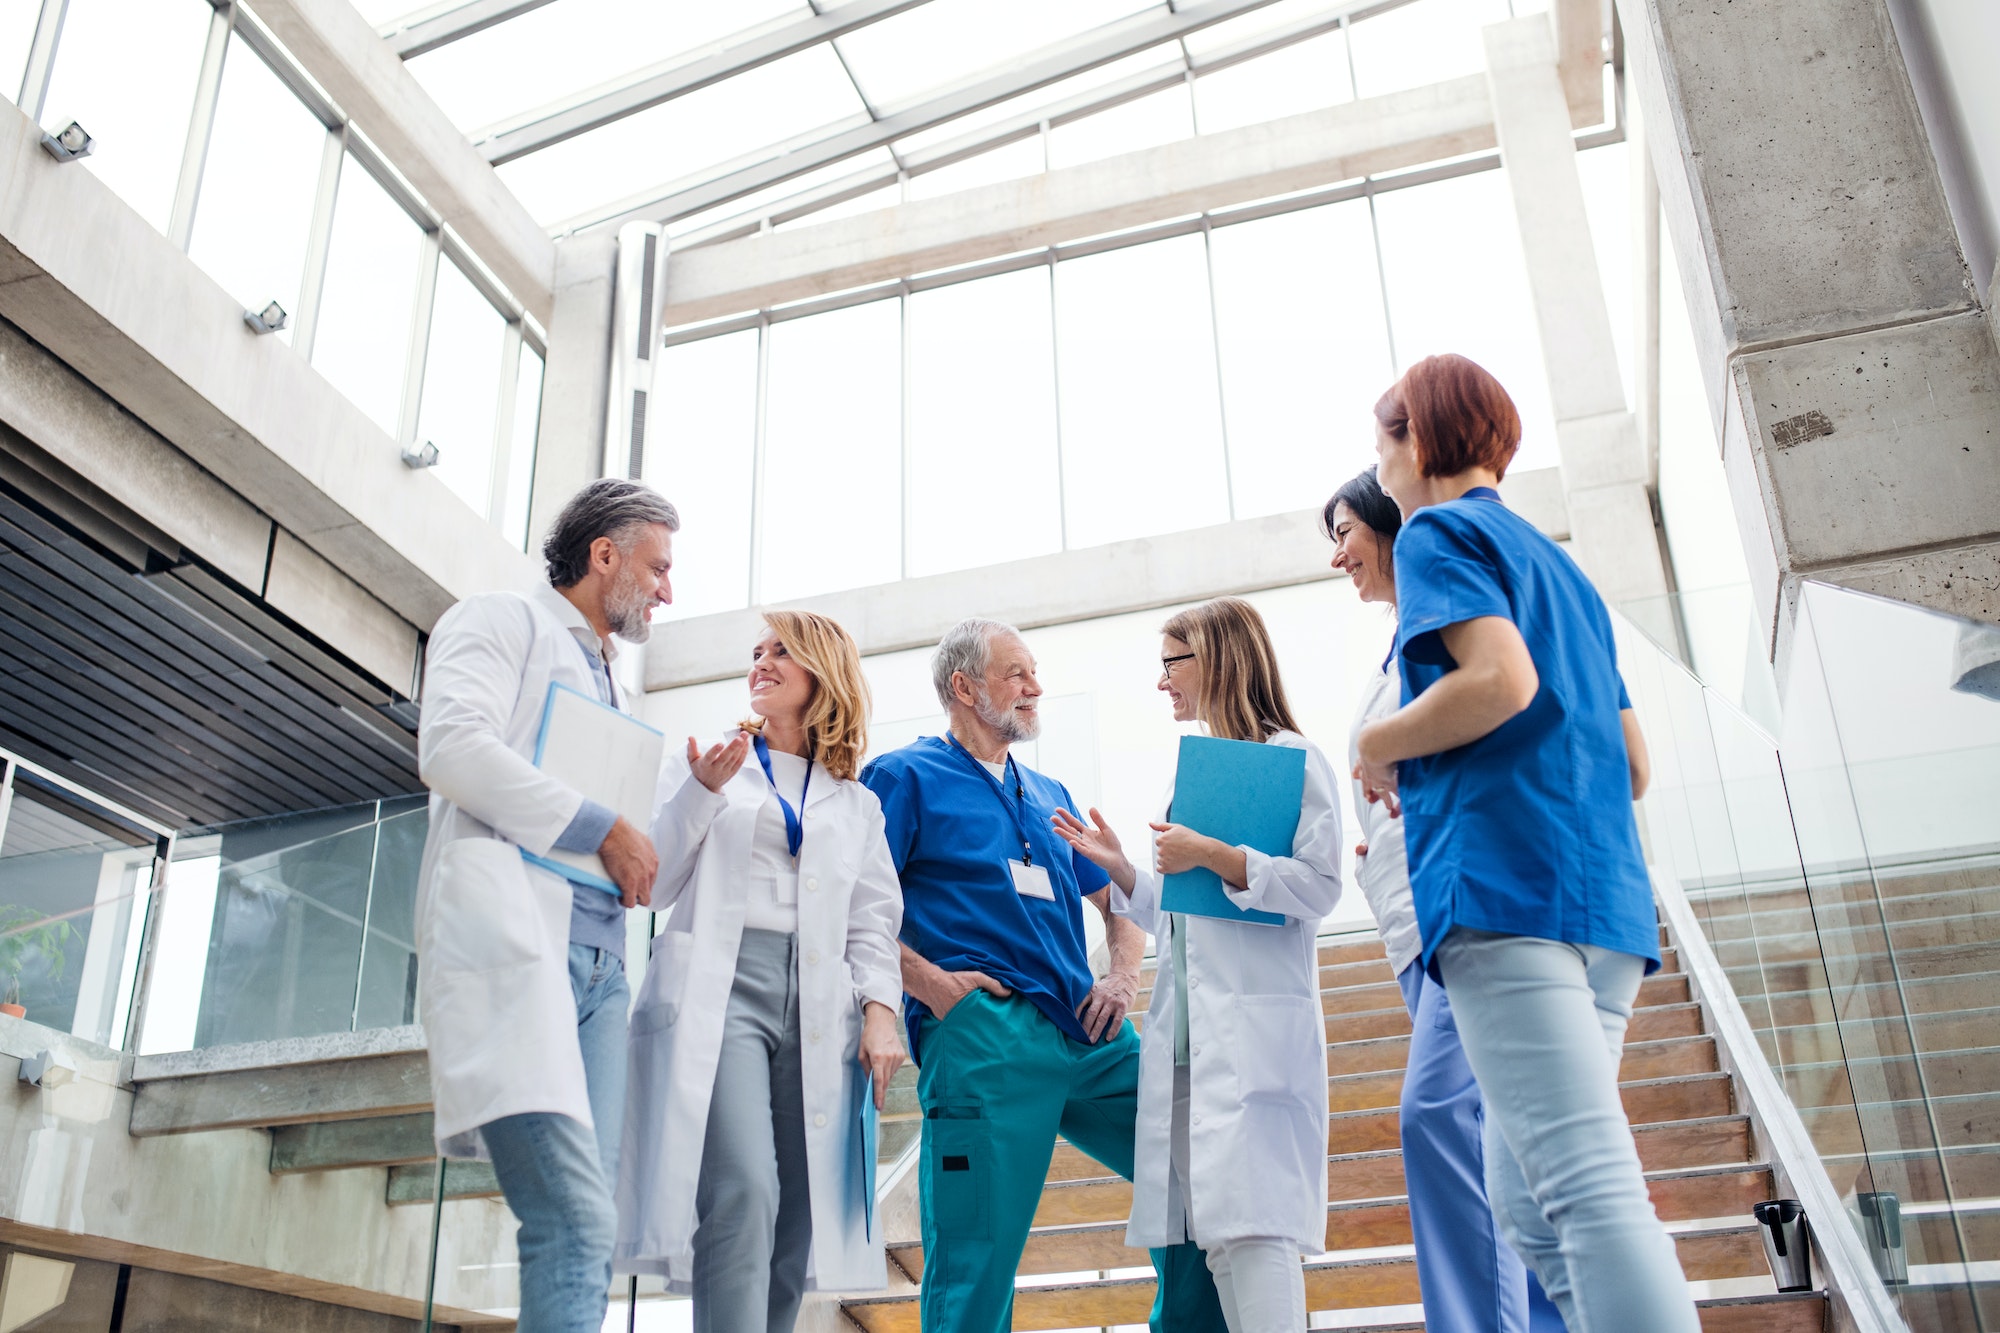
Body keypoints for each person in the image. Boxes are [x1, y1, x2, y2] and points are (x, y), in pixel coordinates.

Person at [1352, 354, 1686, 1333]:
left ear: (1418, 440)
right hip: (1602, 905)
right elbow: (1629, 761)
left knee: (1580, 1190)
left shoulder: (1435, 534)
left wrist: (1377, 747)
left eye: (1381, 445)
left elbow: (1498, 683)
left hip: (1503, 891)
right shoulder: (1562, 569)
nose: (1376, 471)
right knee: (1529, 1205)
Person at [860, 619, 1226, 1333]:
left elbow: (1118, 901)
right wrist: (931, 985)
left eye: (1035, 673)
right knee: (975, 1255)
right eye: (1018, 673)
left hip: (1090, 1033)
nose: (1036, 687)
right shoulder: (902, 776)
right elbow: (855, 903)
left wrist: (1121, 978)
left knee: (1196, 1168)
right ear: (964, 688)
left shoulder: (1047, 789)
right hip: (985, 1038)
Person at [415, 477, 677, 1333]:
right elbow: (453, 748)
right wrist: (602, 824)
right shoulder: (499, 621)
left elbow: (637, 844)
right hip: (521, 945)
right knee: (575, 1218)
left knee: (584, 1231)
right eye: (658, 567)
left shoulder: (615, 688)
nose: (668, 590)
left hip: (603, 973)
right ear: (605, 556)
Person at [1052, 597, 1341, 1333]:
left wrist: (1211, 852)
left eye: (1170, 664)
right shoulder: (1197, 777)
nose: (1162, 684)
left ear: (1213, 658)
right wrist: (1123, 870)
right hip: (1189, 1047)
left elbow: (1319, 885)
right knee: (1216, 1237)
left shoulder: (1290, 758)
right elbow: (1184, 919)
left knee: (1256, 1230)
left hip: (1252, 1043)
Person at [1326, 466, 1566, 1333]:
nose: (1336, 555)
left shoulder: (1448, 618)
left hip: (1465, 908)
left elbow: (1498, 719)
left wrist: (1390, 764)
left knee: (1441, 1115)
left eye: (1345, 531)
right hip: (1413, 916)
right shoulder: (1398, 643)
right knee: (1500, 1142)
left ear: (1391, 526)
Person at [616, 610, 904, 1333]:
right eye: (756, 652)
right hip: (724, 991)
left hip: (821, 1005)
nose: (762, 662)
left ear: (823, 672)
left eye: (782, 651)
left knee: (801, 1210)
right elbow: (655, 878)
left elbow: (873, 918)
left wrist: (881, 1009)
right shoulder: (710, 763)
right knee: (744, 1189)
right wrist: (702, 790)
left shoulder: (858, 802)